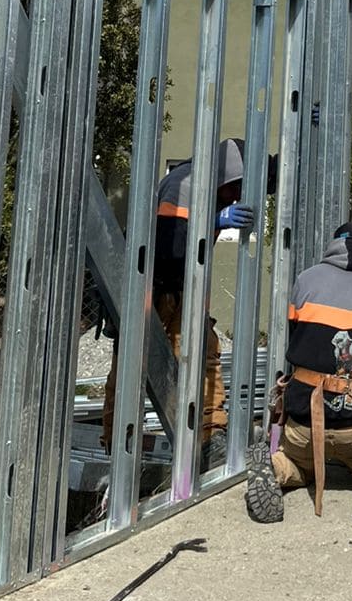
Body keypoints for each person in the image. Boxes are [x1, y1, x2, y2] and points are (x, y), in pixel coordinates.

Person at [245, 221, 352, 525]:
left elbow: (297, 344)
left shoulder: (306, 280)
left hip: (305, 421)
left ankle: (274, 467)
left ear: (334, 244)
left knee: (297, 466)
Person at [102, 138, 255, 471]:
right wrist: (214, 221)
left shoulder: (215, 188)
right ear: (223, 178)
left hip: (182, 288)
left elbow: (273, 174)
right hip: (152, 289)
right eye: (237, 187)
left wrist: (314, 130)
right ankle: (120, 444)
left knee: (204, 353)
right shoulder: (182, 184)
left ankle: (209, 437)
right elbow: (172, 246)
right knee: (133, 364)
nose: (239, 195)